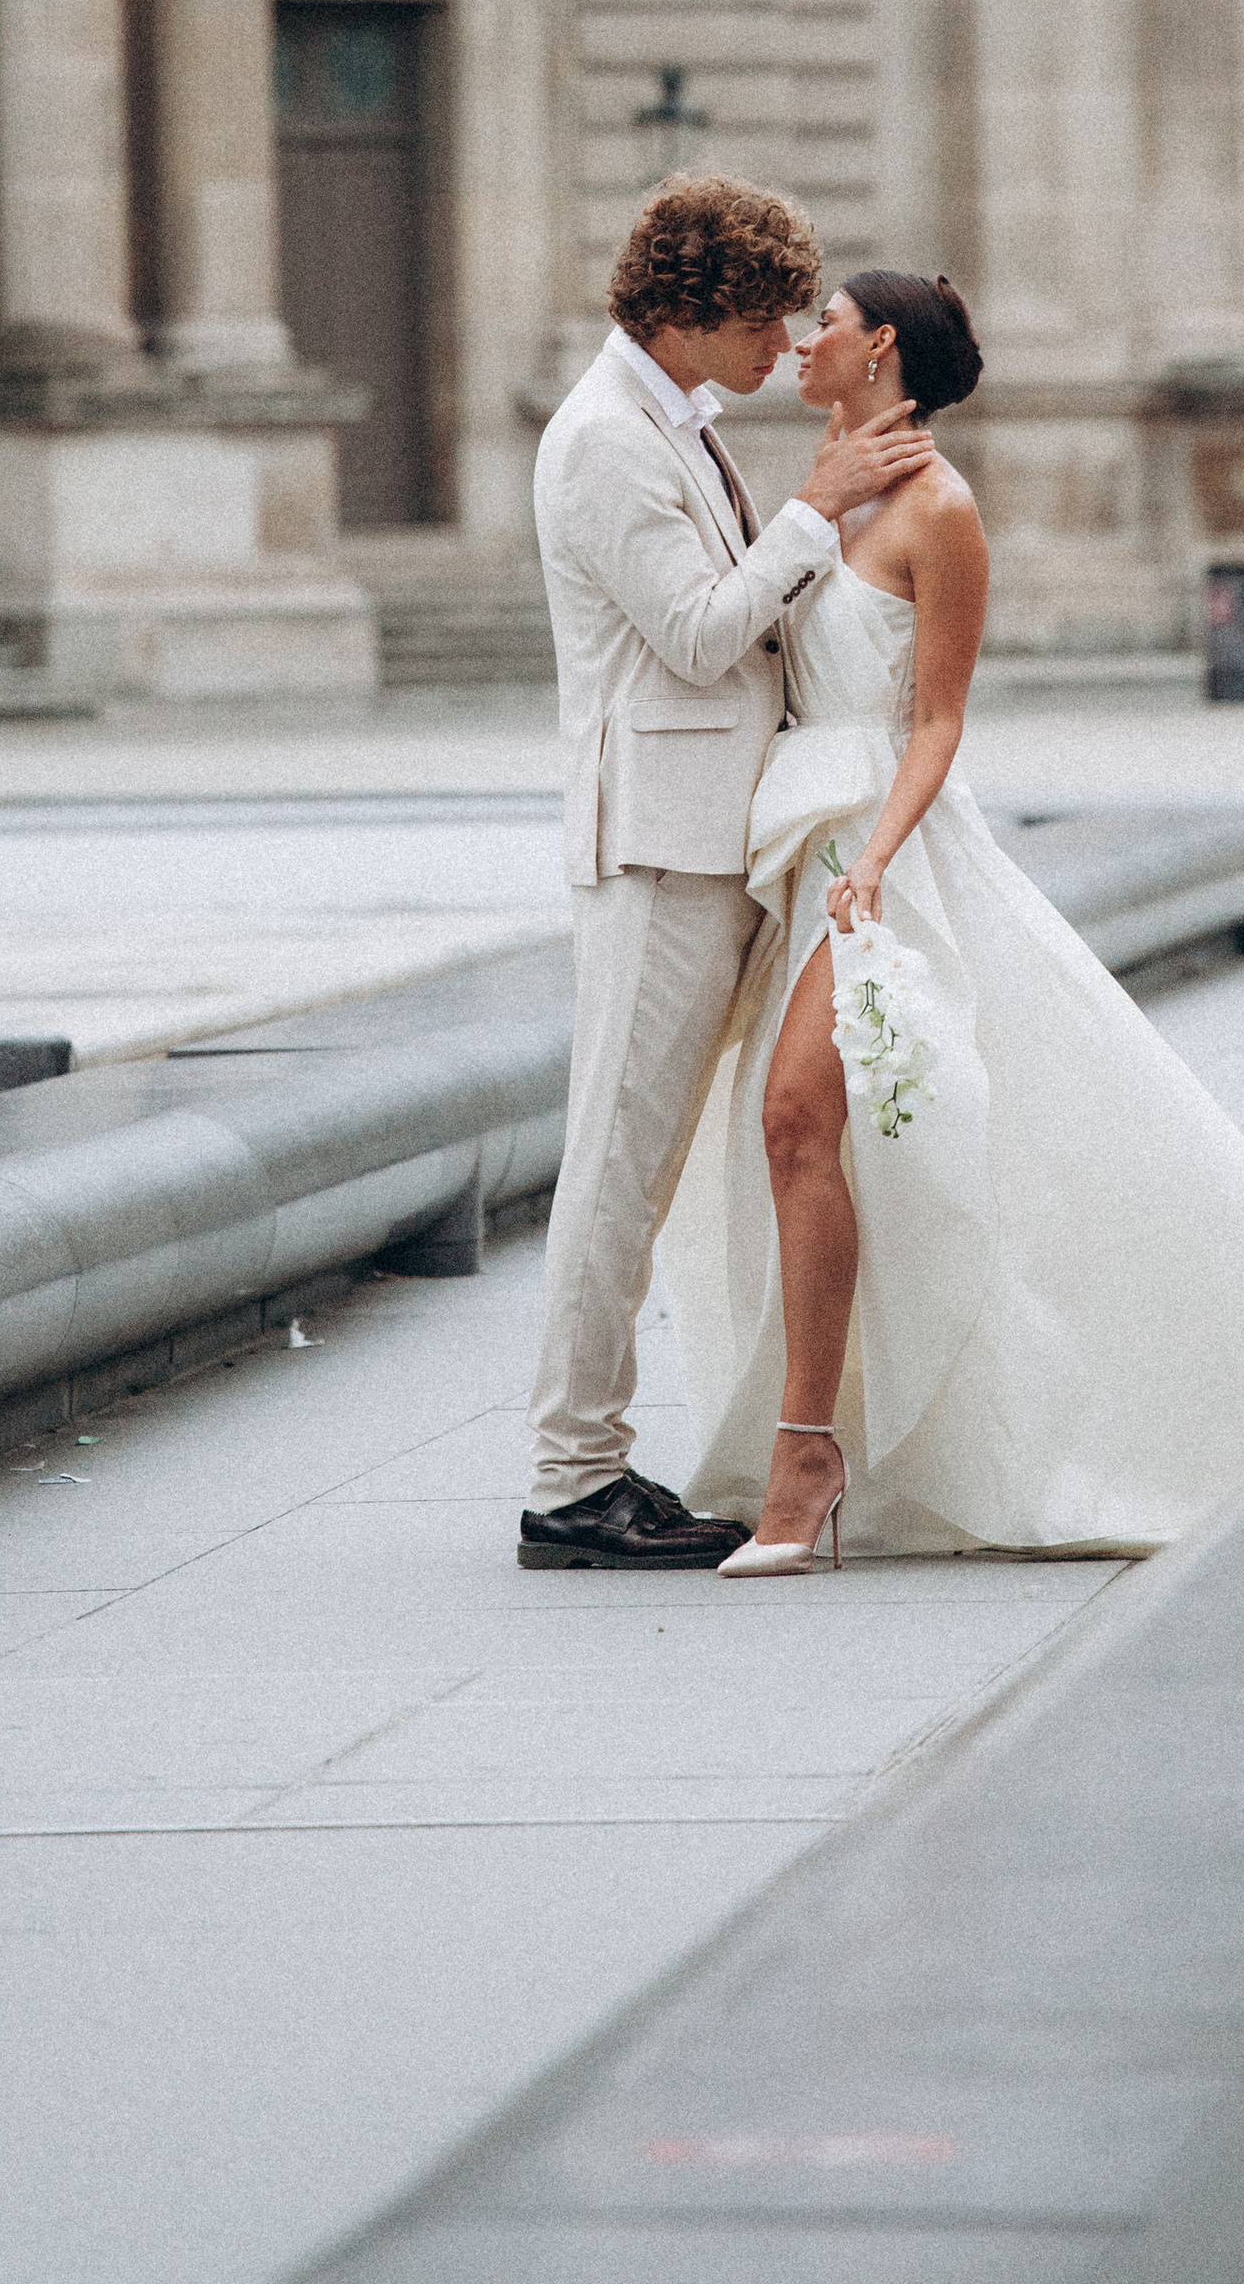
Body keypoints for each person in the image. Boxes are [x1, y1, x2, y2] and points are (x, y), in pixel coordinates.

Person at [658, 269, 1244, 1572]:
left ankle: (807, 1456)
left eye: (823, 324)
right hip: (794, 846)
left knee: (797, 1118)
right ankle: (831, 1436)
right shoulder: (827, 480)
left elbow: (940, 719)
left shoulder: (941, 511)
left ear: (879, 344)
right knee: (815, 1141)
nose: (798, 342)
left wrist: (875, 861)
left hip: (874, 854)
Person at [520, 176, 933, 1572]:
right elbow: (701, 636)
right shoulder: (599, 442)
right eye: (767, 321)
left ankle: (604, 1460)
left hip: (723, 836)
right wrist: (817, 511)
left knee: (667, 1161)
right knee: (618, 1168)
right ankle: (572, 1480)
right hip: (655, 845)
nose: (784, 348)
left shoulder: (668, 423)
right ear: (697, 312)